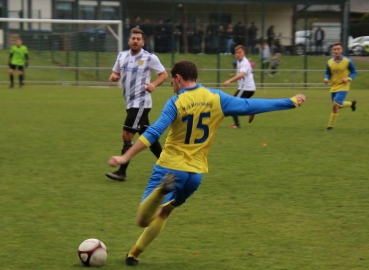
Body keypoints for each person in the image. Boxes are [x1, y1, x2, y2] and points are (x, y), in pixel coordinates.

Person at [108, 59, 306, 266]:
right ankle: (134, 254)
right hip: (195, 175)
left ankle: (160, 191)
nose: (172, 87)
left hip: (170, 168)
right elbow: (250, 105)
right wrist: (290, 101)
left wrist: (125, 156)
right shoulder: (216, 98)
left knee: (143, 220)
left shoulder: (176, 102)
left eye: (172, 83)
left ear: (177, 78)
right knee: (164, 213)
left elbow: (154, 131)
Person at [106, 28, 168, 181]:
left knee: (127, 134)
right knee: (148, 136)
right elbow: (116, 73)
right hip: (129, 101)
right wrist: (114, 77)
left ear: (143, 42)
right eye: (133, 38)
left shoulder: (149, 57)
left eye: (138, 39)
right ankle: (168, 166)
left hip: (141, 102)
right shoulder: (122, 56)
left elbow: (164, 74)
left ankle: (122, 171)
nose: (135, 41)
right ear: (129, 40)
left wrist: (153, 84)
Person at [324, 42, 357, 130]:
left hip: (344, 86)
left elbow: (354, 72)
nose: (336, 51)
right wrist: (326, 78)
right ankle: (351, 103)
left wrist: (348, 79)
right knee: (337, 106)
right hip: (334, 87)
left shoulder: (347, 61)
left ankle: (330, 126)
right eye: (335, 49)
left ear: (342, 50)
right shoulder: (329, 62)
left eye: (338, 49)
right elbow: (328, 73)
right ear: (332, 51)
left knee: (335, 105)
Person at [223, 45, 257, 127]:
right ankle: (251, 110)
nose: (238, 54)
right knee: (238, 105)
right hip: (247, 88)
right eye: (236, 53)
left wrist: (229, 81)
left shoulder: (244, 62)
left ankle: (237, 125)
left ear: (244, 53)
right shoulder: (239, 61)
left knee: (232, 104)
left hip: (246, 88)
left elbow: (241, 74)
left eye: (240, 52)